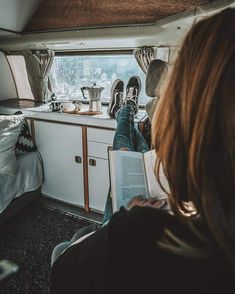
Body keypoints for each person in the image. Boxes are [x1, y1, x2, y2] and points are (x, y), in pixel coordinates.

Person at [51, 8, 235, 293]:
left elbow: (61, 274)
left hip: (118, 234)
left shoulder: (142, 232)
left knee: (125, 148)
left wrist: (127, 218)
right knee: (135, 143)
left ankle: (125, 107)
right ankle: (128, 108)